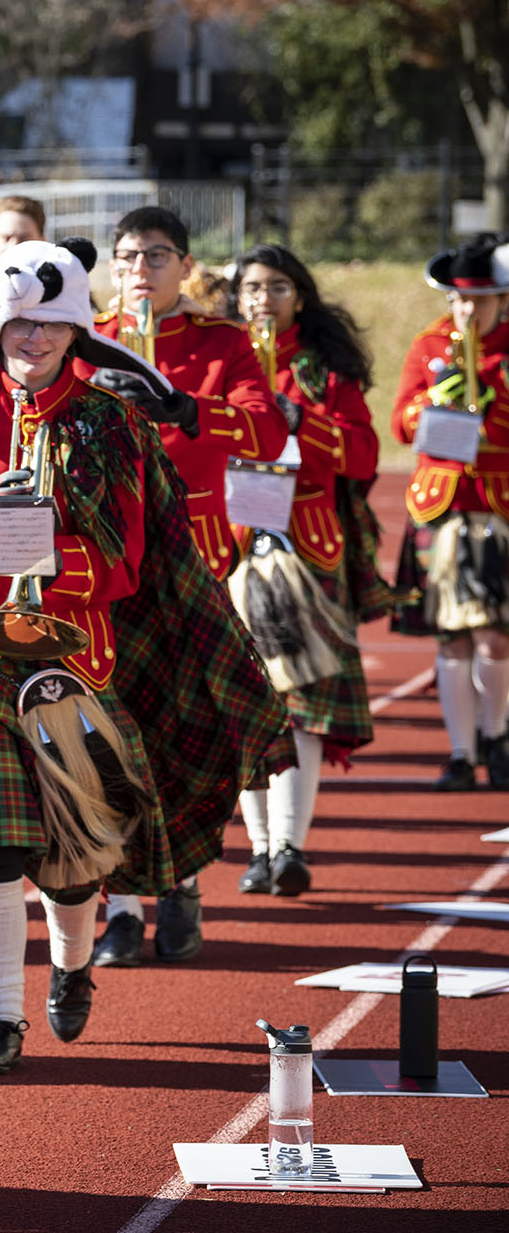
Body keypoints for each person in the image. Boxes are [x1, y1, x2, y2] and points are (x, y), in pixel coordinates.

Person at [0, 238, 289, 1073]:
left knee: (71, 864)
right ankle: (0, 1023)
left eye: (50, 323)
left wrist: (33, 546)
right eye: (18, 323)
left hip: (74, 660)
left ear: (76, 329)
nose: (32, 339)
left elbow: (120, 563)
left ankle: (73, 967)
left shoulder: (110, 418)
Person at [82, 204, 284, 968]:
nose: (141, 269)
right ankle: (122, 908)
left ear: (187, 265)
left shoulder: (221, 341)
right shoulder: (84, 336)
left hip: (194, 562)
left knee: (184, 735)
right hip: (103, 565)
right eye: (128, 255)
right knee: (105, 738)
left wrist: (188, 409)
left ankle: (187, 883)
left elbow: (266, 431)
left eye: (157, 255)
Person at [227, 244, 380, 894]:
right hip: (232, 547)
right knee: (245, 709)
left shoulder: (325, 370)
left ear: (301, 296)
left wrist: (301, 421)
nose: (265, 298)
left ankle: (289, 844)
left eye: (278, 286)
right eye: (253, 288)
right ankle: (259, 849)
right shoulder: (223, 361)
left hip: (307, 547)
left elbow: (365, 455)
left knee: (303, 708)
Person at [391, 233, 509, 790]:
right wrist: (435, 400)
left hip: (500, 509)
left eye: (480, 300)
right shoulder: (428, 346)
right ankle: (461, 752)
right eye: (460, 301)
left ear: (500, 300)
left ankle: (498, 735)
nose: (468, 311)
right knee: (451, 638)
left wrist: (489, 393)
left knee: (496, 637)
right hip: (442, 506)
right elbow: (401, 423)